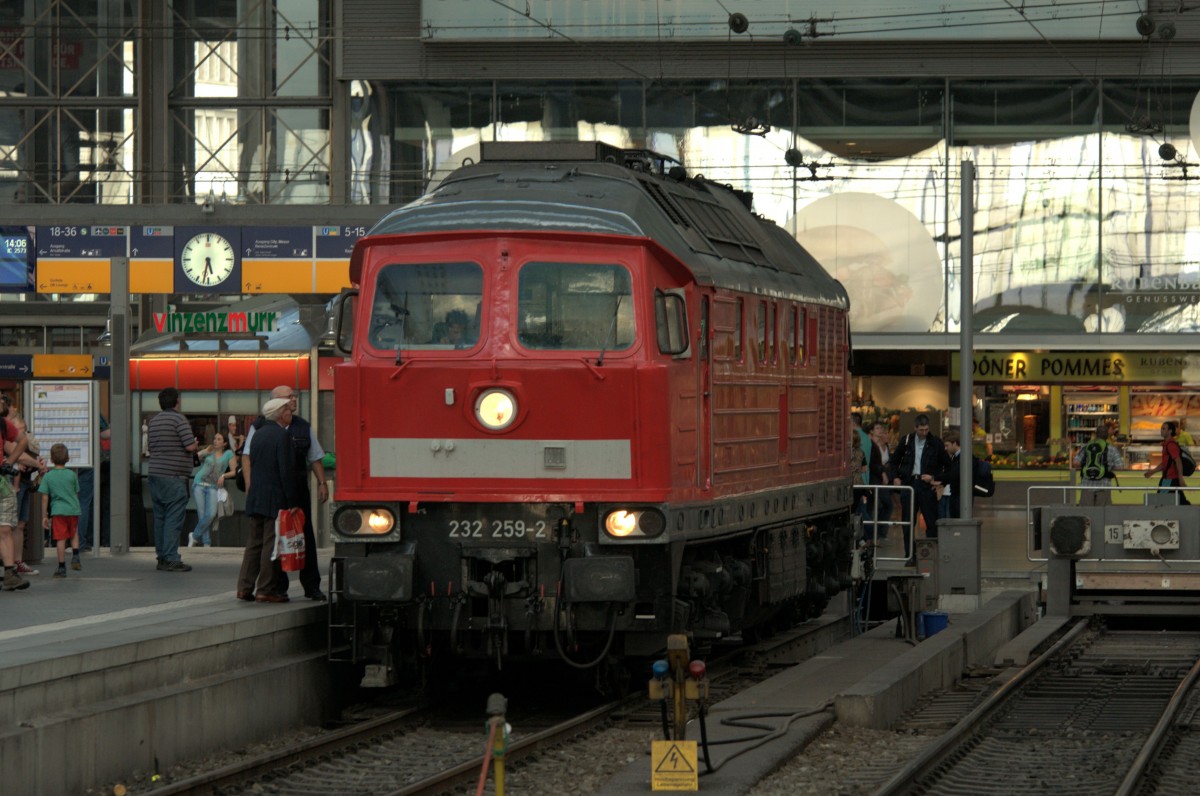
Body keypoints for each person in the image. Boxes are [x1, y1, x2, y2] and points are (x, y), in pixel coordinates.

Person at [243, 385, 330, 601]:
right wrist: (249, 485)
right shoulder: (263, 428)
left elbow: (315, 456)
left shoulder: (302, 426)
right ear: (277, 405)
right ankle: (272, 588)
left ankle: (310, 586)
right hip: (278, 494)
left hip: (293, 490)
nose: (294, 400)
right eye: (288, 398)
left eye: (294, 396)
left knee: (303, 538)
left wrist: (322, 482)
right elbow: (248, 458)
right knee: (272, 541)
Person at [237, 397, 301, 602]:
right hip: (275, 497)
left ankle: (244, 587)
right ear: (280, 414)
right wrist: (292, 501)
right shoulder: (282, 436)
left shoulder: (258, 435)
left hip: (256, 495)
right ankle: (265, 589)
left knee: (253, 543)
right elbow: (286, 471)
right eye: (287, 411)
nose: (290, 414)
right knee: (270, 543)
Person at [147, 387, 198, 572]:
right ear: (177, 401)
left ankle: (161, 556)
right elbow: (190, 446)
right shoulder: (179, 419)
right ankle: (171, 558)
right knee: (173, 519)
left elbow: (151, 448)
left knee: (160, 517)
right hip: (174, 477)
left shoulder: (154, 421)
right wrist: (195, 444)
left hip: (155, 475)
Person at [890, 413, 952, 553]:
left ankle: (930, 553)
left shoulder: (935, 443)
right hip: (910, 484)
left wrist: (935, 478)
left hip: (926, 486)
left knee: (931, 521)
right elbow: (893, 461)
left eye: (926, 429)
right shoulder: (906, 441)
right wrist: (895, 477)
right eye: (921, 430)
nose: (924, 433)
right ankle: (909, 554)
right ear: (915, 428)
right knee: (908, 522)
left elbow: (948, 466)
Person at [39, 443, 82, 577]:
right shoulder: (71, 475)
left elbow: (45, 497)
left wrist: (44, 515)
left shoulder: (48, 476)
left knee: (61, 539)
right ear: (68, 458)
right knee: (74, 532)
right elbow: (76, 492)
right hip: (73, 509)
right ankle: (75, 555)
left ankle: (62, 566)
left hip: (58, 511)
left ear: (51, 459)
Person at [188, 432, 237, 547]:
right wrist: (205, 451)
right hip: (199, 484)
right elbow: (193, 460)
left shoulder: (228, 454)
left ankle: (194, 536)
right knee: (202, 515)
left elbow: (235, 471)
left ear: (224, 443)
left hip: (213, 488)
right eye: (215, 438)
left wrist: (223, 476)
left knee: (210, 514)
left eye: (219, 439)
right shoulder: (209, 451)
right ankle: (207, 543)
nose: (215, 441)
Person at [1073, 424, 1124, 506]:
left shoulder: (1086, 446)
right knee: (1103, 514)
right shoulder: (1111, 449)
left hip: (1087, 485)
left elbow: (1075, 463)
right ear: (1107, 436)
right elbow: (1120, 467)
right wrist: (1109, 467)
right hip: (1104, 485)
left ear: (1095, 434)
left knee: (1086, 513)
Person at [1144, 420, 1189, 505]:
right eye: (1161, 428)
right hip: (1171, 479)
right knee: (1181, 503)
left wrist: (1181, 479)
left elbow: (1178, 461)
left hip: (1169, 479)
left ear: (1170, 431)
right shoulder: (1167, 444)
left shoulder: (1170, 445)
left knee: (1160, 502)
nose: (1161, 430)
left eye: (1164, 429)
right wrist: (1152, 472)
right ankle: (1190, 516)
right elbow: (1165, 463)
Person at [933, 430, 975, 520]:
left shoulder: (963, 457)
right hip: (957, 495)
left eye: (947, 445)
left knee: (957, 521)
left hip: (960, 496)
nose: (945, 448)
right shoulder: (956, 456)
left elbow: (954, 474)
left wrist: (935, 478)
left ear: (955, 443)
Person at [869, 420, 893, 539]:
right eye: (878, 429)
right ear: (872, 431)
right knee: (879, 504)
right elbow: (873, 463)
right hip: (875, 478)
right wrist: (882, 472)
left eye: (882, 430)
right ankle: (875, 532)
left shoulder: (885, 446)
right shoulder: (871, 444)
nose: (882, 432)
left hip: (883, 478)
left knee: (884, 505)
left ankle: (880, 532)